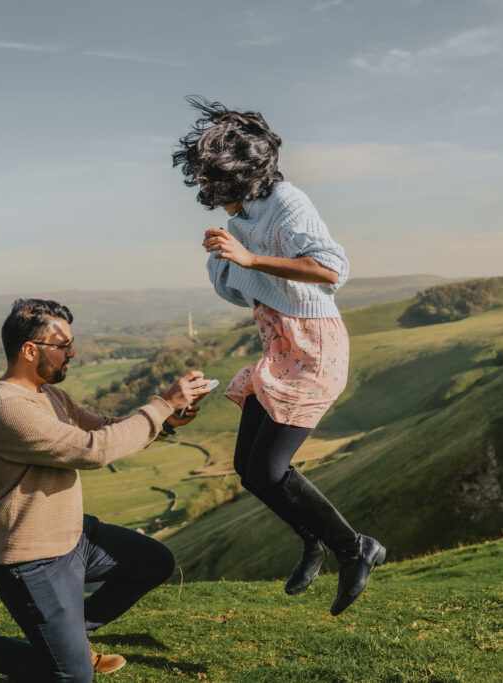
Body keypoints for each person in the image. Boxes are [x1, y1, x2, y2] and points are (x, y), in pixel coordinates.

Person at [0, 298, 212, 683]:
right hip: (31, 558)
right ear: (29, 350)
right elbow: (94, 451)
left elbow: (104, 427)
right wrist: (161, 405)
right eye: (62, 346)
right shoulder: (8, 408)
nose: (71, 352)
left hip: (74, 535)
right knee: (73, 679)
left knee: (154, 562)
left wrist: (168, 420)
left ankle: (68, 642)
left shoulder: (49, 394)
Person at [172, 97, 385, 616]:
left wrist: (247, 257)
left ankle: (354, 549)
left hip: (314, 350)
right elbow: (244, 289)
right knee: (249, 470)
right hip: (281, 349)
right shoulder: (245, 212)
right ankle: (313, 540)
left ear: (239, 176)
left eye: (212, 183)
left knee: (270, 470)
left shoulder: (288, 203)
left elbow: (332, 269)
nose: (207, 193)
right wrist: (224, 261)